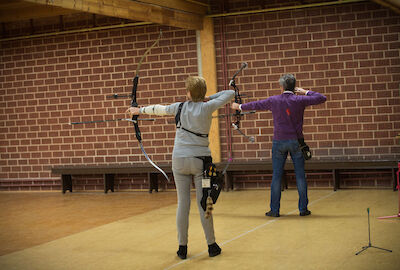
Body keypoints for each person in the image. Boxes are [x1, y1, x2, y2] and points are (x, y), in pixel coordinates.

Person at [127, 76, 235, 259]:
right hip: (201, 161)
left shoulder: (179, 106)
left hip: (179, 159)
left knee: (182, 204)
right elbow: (230, 93)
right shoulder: (208, 106)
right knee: (205, 203)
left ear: (189, 93)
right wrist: (208, 97)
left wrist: (138, 110)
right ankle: (212, 245)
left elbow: (159, 109)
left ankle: (182, 248)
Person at [231, 74, 326, 217]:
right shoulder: (299, 100)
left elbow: (257, 104)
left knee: (276, 176)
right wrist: (305, 91)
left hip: (279, 142)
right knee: (300, 176)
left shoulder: (274, 100)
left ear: (281, 87)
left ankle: (274, 210)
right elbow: (321, 98)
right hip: (296, 142)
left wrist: (239, 106)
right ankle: (303, 209)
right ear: (294, 87)